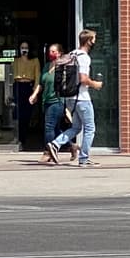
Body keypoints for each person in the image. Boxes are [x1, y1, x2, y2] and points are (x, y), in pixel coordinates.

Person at [45, 29, 104, 168]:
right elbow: (83, 79)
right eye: (94, 39)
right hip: (82, 98)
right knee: (90, 128)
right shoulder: (84, 57)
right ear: (89, 41)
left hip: (70, 98)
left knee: (76, 127)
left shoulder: (72, 54)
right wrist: (95, 84)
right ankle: (84, 158)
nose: (95, 41)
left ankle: (54, 144)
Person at [30, 43, 76, 163]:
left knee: (48, 127)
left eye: (53, 51)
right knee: (55, 129)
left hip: (57, 100)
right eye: (50, 51)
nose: (51, 54)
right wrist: (34, 95)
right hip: (46, 100)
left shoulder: (63, 67)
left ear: (60, 53)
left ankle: (48, 152)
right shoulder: (46, 66)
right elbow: (41, 83)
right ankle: (72, 146)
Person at [11, 40, 40, 150]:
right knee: (16, 113)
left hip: (29, 86)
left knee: (26, 114)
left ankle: (23, 138)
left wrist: (35, 92)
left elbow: (37, 76)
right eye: (22, 47)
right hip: (17, 86)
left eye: (26, 47)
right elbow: (10, 74)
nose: (24, 49)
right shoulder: (15, 60)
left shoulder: (34, 60)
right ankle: (17, 138)